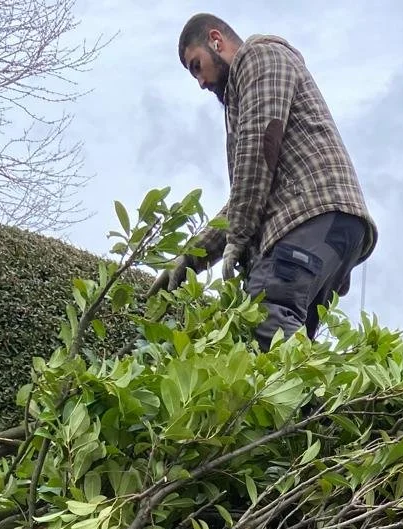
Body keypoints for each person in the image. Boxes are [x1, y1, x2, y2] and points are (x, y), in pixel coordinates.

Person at [150, 14, 377, 347]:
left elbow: (258, 147)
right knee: (289, 350)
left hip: (309, 215)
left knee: (263, 315)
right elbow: (247, 191)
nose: (199, 82)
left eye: (196, 66)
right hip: (327, 224)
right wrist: (190, 258)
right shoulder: (247, 87)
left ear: (217, 40)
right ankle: (321, 400)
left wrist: (238, 239)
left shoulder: (259, 56)